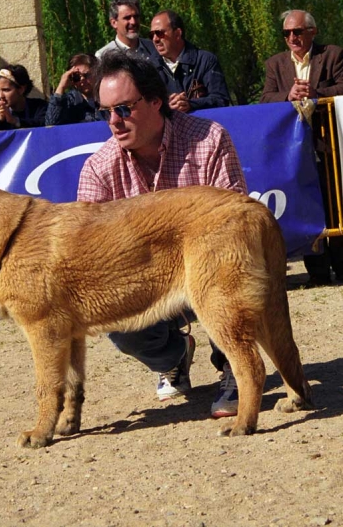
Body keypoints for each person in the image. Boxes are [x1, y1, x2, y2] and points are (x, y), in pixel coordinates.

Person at [77, 51, 247, 418]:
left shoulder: (209, 140)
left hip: (211, 268)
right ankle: (173, 356)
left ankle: (235, 363)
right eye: (105, 112)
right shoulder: (97, 170)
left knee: (234, 272)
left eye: (123, 109)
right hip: (145, 281)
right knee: (111, 313)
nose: (114, 122)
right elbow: (89, 257)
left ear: (156, 100)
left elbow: (237, 225)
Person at [260, 9, 343, 286]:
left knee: (334, 205)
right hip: (294, 150)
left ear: (312, 32)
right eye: (287, 33)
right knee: (306, 208)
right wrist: (286, 96)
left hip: (328, 145)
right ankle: (317, 273)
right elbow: (264, 99)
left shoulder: (332, 55)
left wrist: (318, 95)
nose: (292, 37)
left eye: (297, 32)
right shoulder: (275, 64)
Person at [148, 10, 231, 112]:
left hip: (202, 126)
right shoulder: (149, 68)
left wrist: (191, 104)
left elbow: (221, 100)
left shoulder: (205, 60)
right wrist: (167, 107)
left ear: (178, 33)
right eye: (151, 35)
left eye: (159, 33)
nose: (155, 39)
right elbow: (145, 108)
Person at [45, 53, 99, 125]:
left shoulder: (107, 96)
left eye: (86, 75)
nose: (82, 80)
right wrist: (61, 87)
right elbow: (51, 124)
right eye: (77, 77)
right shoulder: (68, 101)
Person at [0, 65, 48, 130]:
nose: (0, 96)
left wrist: (15, 121)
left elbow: (43, 125)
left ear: (21, 89)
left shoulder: (39, 106)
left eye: (6, 90)